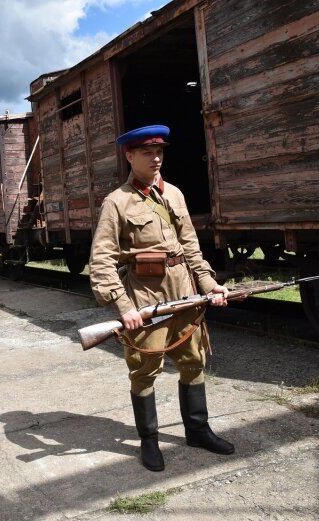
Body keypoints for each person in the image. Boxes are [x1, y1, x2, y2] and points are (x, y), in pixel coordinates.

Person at [89, 124, 234, 472]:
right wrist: (124, 308)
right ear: (129, 155)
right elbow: (102, 261)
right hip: (146, 300)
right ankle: (149, 441)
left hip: (184, 294)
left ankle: (197, 430)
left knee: (193, 362)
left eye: (160, 152)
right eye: (146, 153)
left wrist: (208, 285)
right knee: (144, 371)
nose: (156, 158)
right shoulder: (117, 203)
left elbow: (190, 248)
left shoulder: (176, 195)